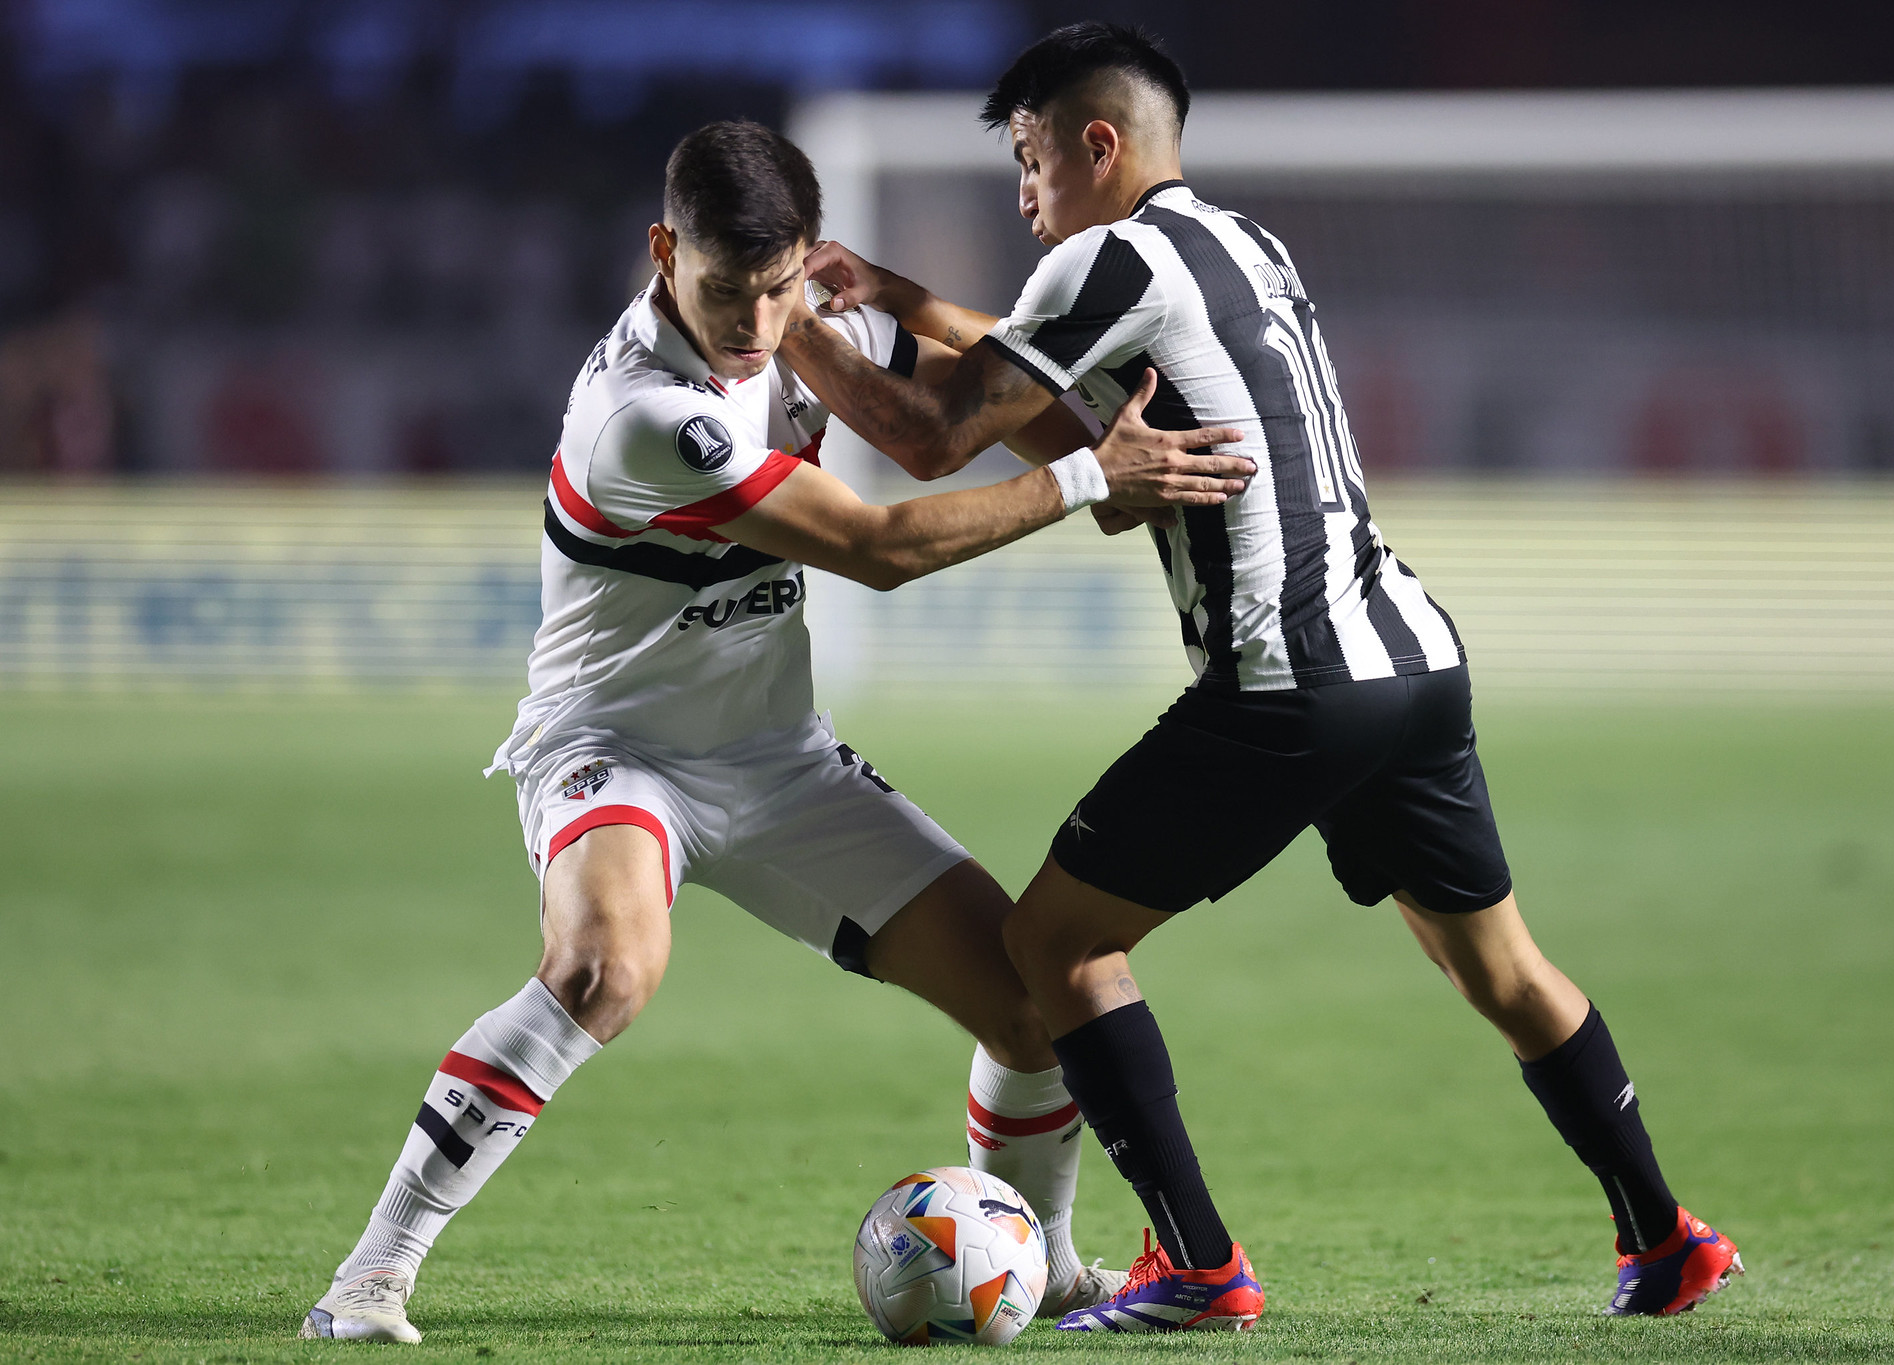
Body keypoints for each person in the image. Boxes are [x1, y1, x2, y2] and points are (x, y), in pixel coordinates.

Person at [781, 23, 1743, 1333]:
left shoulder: (1101, 258)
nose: (1023, 194)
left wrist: (783, 319)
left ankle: (1197, 1265)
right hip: (1412, 655)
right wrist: (894, 299)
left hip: (1288, 682)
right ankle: (1666, 1235)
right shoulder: (1245, 245)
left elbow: (933, 433)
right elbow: (1074, 416)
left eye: (1029, 159)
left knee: (1053, 941)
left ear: (1096, 144)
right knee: (1502, 971)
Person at [300, 119, 1253, 1343]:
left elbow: (985, 394)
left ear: (810, 259)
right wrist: (1084, 480)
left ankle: (1044, 1259)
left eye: (778, 286)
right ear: (661, 251)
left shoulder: (807, 324)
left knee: (1030, 1004)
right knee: (606, 971)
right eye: (724, 290)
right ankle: (370, 1277)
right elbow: (878, 549)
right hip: (614, 749)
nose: (755, 323)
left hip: (779, 762)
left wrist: (967, 348)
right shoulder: (645, 412)